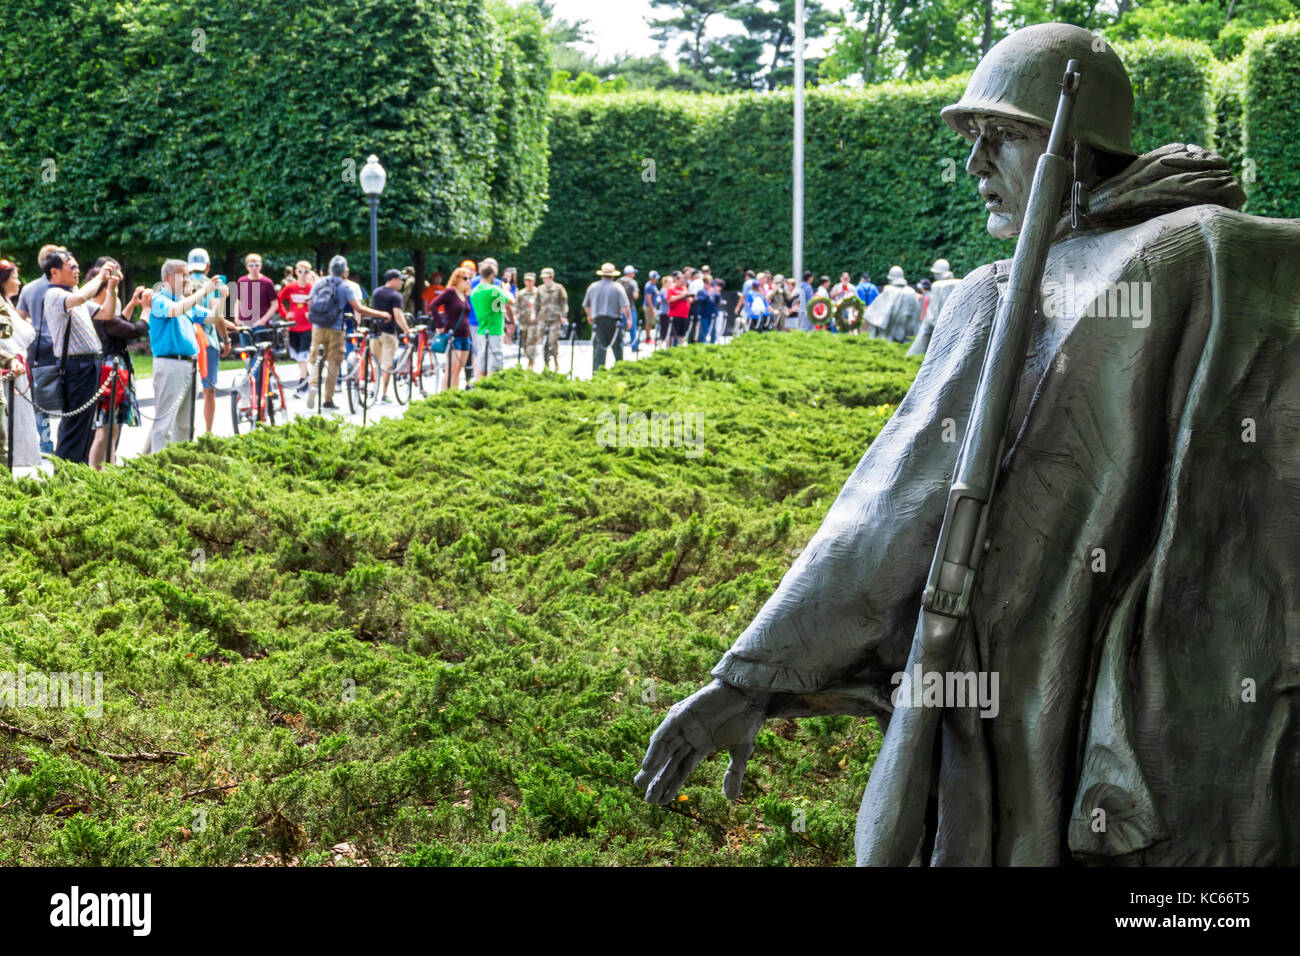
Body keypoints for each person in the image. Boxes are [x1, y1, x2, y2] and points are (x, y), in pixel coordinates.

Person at [638, 22, 1300, 867]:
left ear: (1081, 150)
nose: (976, 165)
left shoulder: (995, 298)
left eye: (1004, 137)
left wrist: (750, 678)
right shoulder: (1218, 253)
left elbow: (887, 520)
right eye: (973, 139)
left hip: (1012, 707)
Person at [42, 250, 120, 464]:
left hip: (89, 364)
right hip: (76, 366)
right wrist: (100, 277)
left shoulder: (72, 293)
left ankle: (79, 471)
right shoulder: (56, 294)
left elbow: (106, 313)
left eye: (77, 266)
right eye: (72, 267)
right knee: (75, 426)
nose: (77, 271)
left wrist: (112, 288)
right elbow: (83, 297)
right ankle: (65, 476)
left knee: (87, 425)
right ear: (54, 271)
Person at [146, 260, 218, 454]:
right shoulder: (159, 299)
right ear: (168, 277)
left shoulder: (183, 302)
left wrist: (217, 296)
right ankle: (157, 465)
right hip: (169, 364)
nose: (187, 279)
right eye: (183, 275)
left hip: (187, 365)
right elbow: (174, 311)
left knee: (184, 424)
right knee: (165, 423)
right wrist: (203, 291)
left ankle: (178, 463)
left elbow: (212, 317)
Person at [306, 255, 390, 411]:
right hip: (336, 329)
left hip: (317, 327)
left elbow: (309, 302)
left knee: (317, 359)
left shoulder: (319, 283)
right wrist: (381, 314)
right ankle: (328, 399)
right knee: (334, 363)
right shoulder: (346, 287)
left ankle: (313, 386)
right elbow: (359, 308)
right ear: (344, 270)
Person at [89, 267, 148, 469]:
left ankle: (108, 471)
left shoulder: (98, 311)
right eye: (112, 289)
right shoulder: (99, 313)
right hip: (110, 371)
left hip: (110, 369)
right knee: (105, 430)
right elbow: (134, 331)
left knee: (111, 429)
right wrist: (146, 310)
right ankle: (98, 474)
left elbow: (119, 323)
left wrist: (132, 304)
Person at [16, 243, 66, 455]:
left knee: (40, 400)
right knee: (68, 396)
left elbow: (19, 319)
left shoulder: (29, 289)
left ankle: (46, 444)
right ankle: (66, 440)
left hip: (38, 348)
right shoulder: (65, 289)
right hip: (62, 347)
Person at [0, 259, 41, 470]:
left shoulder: (6, 303)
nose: (18, 282)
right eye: (15, 277)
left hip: (15, 368)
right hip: (8, 370)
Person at [908, 258, 963, 357]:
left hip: (939, 324)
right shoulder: (959, 282)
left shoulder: (937, 286)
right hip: (956, 323)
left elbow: (932, 313)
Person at [468, 262, 512, 382]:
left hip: (481, 330)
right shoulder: (494, 290)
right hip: (494, 331)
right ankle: (491, 389)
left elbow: (496, 307)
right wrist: (505, 289)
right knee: (494, 363)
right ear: (492, 275)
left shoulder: (475, 291)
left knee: (481, 363)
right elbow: (511, 301)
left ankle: (478, 388)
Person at [372, 269, 411, 403]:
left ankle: (374, 389)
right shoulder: (396, 295)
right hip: (389, 333)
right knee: (388, 364)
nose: (402, 282)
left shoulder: (376, 292)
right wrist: (407, 330)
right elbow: (398, 316)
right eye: (400, 279)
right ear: (393, 279)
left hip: (375, 332)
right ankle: (383, 393)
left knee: (376, 362)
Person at [432, 266, 473, 390]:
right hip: (453, 335)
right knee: (451, 369)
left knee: (459, 370)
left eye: (469, 278)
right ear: (457, 278)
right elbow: (433, 305)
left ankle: (454, 394)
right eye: (465, 278)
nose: (468, 281)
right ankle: (445, 395)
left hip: (465, 336)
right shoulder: (450, 292)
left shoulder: (465, 295)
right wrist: (439, 325)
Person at [584, 262, 631, 371]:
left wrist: (589, 315)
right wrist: (629, 319)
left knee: (599, 349)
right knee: (617, 349)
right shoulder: (617, 287)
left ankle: (597, 372)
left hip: (598, 321)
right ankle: (620, 371)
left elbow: (586, 305)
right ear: (613, 275)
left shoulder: (593, 287)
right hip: (614, 321)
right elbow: (625, 306)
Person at [278, 260, 315, 394]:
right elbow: (278, 300)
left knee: (303, 356)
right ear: (295, 272)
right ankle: (306, 377)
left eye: (306, 272)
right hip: (293, 327)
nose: (303, 275)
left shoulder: (312, 288)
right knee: (297, 355)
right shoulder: (290, 287)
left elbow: (319, 303)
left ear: (309, 273)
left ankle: (302, 383)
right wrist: (285, 314)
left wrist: (311, 313)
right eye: (300, 272)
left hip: (307, 327)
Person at [864, 265, 922, 343]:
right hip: (906, 336)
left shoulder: (888, 290)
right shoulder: (911, 292)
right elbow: (917, 316)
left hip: (888, 337)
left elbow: (875, 315)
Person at [536, 268, 568, 374]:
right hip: (543, 319)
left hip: (555, 319)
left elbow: (564, 303)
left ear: (552, 277)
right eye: (544, 278)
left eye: (547, 277)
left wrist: (563, 315)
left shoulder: (559, 288)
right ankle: (546, 364)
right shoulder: (540, 289)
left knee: (552, 341)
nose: (545, 280)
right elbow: (536, 304)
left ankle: (555, 361)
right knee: (543, 343)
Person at [514, 272, 541, 371]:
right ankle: (529, 357)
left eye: (530, 280)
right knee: (524, 343)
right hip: (523, 322)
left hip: (534, 323)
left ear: (534, 281)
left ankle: (531, 362)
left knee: (531, 341)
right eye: (526, 280)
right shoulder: (521, 293)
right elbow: (516, 306)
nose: (528, 282)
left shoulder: (538, 293)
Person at [664, 272, 692, 347]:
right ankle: (669, 349)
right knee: (672, 335)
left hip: (684, 315)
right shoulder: (671, 288)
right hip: (674, 315)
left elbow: (690, 300)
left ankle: (680, 350)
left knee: (681, 335)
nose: (683, 283)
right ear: (677, 280)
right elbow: (669, 299)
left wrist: (687, 298)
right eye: (681, 281)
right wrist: (681, 296)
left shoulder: (685, 288)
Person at [619, 266, 640, 352]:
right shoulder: (633, 282)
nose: (634, 274)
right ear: (630, 273)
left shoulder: (618, 281)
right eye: (633, 273)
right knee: (632, 327)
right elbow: (635, 296)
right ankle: (634, 347)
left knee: (620, 328)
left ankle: (620, 346)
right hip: (630, 308)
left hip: (620, 308)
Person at [695, 277, 722, 344]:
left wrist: (717, 293)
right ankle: (702, 344)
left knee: (713, 331)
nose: (709, 285)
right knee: (704, 331)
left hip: (713, 314)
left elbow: (718, 302)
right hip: (704, 314)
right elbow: (701, 302)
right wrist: (708, 295)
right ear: (704, 283)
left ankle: (712, 345)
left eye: (711, 284)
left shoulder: (714, 293)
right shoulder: (700, 292)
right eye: (707, 283)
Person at [642, 271, 662, 347]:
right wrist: (652, 308)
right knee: (649, 322)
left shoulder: (653, 285)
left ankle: (649, 337)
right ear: (651, 278)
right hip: (649, 307)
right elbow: (648, 298)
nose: (657, 280)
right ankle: (648, 338)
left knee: (650, 322)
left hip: (651, 306)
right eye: (655, 278)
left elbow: (655, 294)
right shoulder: (649, 286)